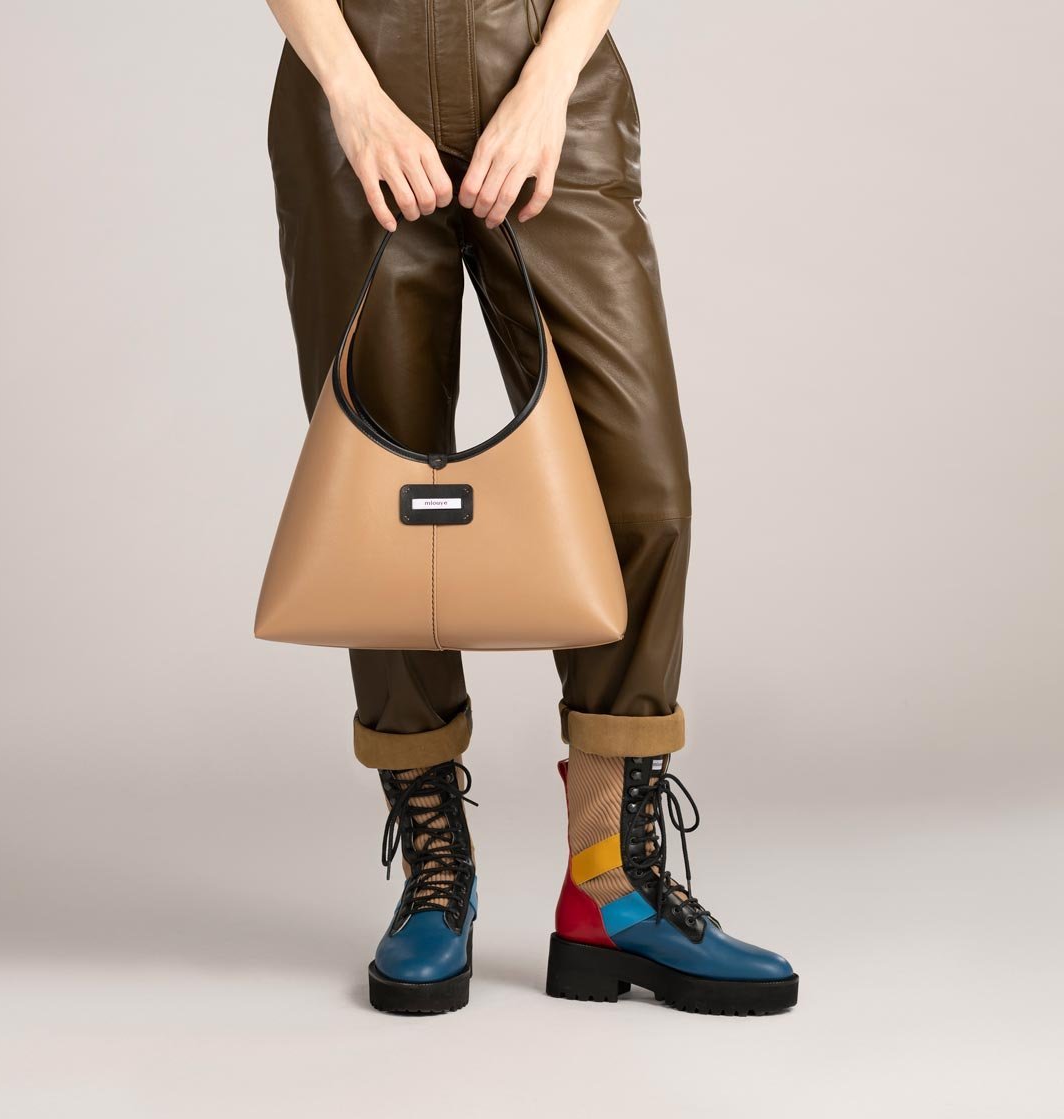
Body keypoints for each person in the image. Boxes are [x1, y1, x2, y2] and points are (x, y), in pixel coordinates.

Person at [263, 0, 798, 1016]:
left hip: (546, 74)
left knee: (638, 488)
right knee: (384, 498)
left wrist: (548, 84)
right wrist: (352, 96)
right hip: (357, 82)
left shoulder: (552, 86)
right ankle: (435, 876)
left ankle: (612, 881)